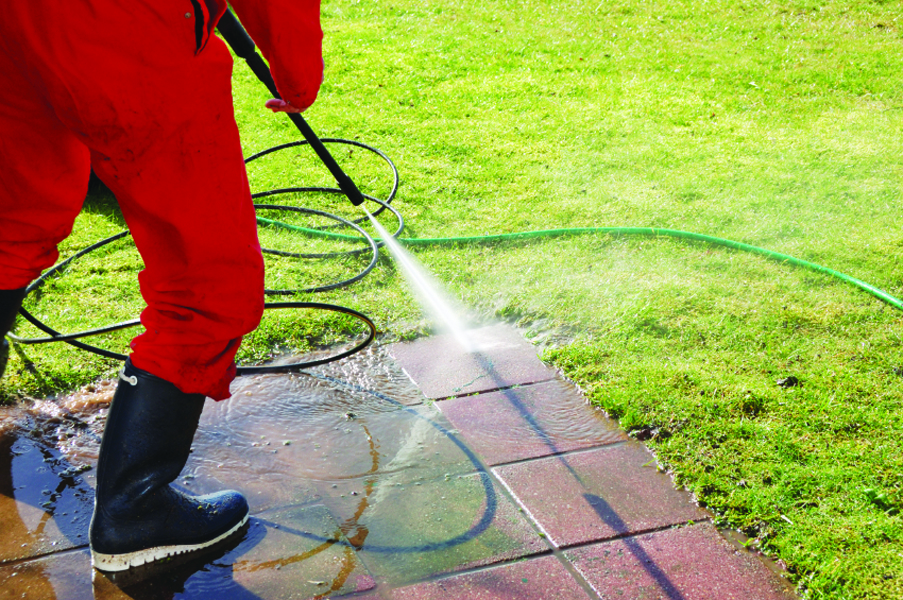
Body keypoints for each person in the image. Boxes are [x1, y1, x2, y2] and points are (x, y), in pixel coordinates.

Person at [0, 0, 323, 572]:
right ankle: (137, 513)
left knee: (9, 224)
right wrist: (297, 68)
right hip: (120, 26)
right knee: (207, 275)